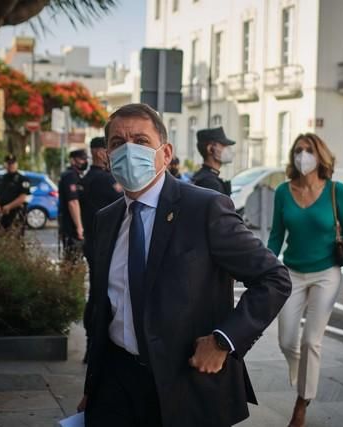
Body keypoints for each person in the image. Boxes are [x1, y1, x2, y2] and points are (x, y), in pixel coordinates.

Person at [77, 103, 291, 427]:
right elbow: (103, 304)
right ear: (107, 154)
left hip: (184, 383)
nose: (129, 150)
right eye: (118, 143)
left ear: (165, 153)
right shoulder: (107, 219)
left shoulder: (203, 208)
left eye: (141, 140)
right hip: (115, 383)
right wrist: (93, 385)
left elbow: (274, 278)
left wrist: (224, 341)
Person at [267, 133, 343, 427]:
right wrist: (259, 267)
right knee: (287, 341)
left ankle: (302, 402)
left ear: (320, 155)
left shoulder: (337, 192)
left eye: (308, 150)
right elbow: (276, 237)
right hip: (291, 272)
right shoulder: (283, 192)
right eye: (297, 150)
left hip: (326, 273)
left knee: (312, 340)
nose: (302, 156)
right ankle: (304, 376)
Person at [80, 136, 123, 360]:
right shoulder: (102, 180)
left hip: (94, 242)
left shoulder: (88, 178)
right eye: (109, 149)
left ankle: (91, 344)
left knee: (96, 294)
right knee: (100, 296)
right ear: (99, 152)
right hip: (101, 245)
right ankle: (93, 345)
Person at [58, 149, 88, 262]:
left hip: (72, 226)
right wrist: (79, 227)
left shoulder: (77, 176)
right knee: (72, 260)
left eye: (85, 159)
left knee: (75, 259)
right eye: (81, 159)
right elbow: (73, 202)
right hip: (71, 227)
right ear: (72, 160)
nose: (84, 162)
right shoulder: (70, 175)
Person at [0, 154, 31, 236]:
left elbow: (22, 197)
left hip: (16, 214)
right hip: (2, 214)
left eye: (13, 163)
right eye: (9, 163)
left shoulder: (23, 179)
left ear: (16, 164)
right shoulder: (0, 179)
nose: (11, 165)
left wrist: (9, 206)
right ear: (5, 164)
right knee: (1, 238)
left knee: (16, 238)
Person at [192, 126, 235, 195]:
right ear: (210, 149)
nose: (228, 149)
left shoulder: (202, 176)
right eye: (223, 145)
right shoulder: (211, 183)